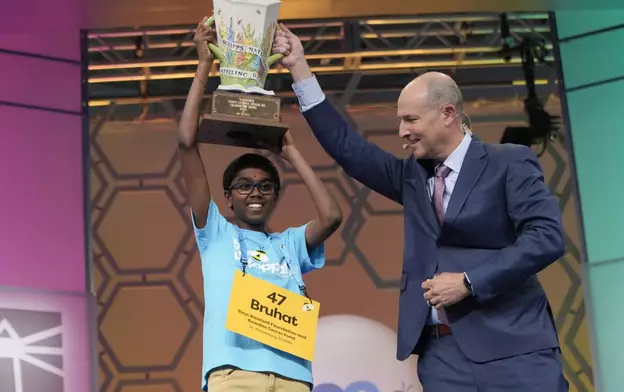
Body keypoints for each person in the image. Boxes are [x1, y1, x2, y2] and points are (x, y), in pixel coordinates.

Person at [273, 25, 569, 392]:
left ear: (447, 113)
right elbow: (347, 147)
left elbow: (548, 238)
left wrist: (468, 282)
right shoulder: (410, 177)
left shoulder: (508, 162)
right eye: (400, 120)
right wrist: (299, 68)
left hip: (515, 351)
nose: (401, 131)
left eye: (410, 119)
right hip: (442, 357)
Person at [179, 18, 343, 392]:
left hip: (293, 377)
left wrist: (290, 151)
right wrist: (204, 66)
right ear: (228, 197)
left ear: (275, 195)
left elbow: (332, 216)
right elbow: (187, 143)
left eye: (266, 186)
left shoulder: (289, 244)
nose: (255, 192)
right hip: (233, 376)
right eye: (244, 185)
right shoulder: (216, 232)